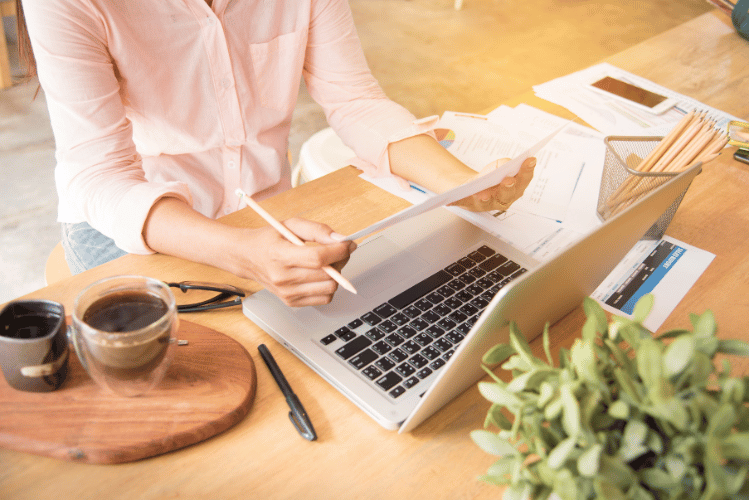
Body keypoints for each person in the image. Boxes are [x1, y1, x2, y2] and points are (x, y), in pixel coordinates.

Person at [16, 0, 535, 307]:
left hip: (266, 217)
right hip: (134, 231)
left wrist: (464, 183)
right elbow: (101, 176)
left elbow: (355, 101)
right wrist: (243, 253)